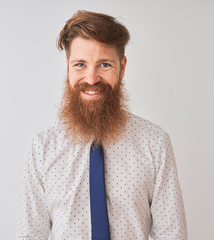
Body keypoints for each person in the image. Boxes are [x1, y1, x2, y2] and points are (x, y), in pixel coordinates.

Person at [16, 10, 187, 240]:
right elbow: (29, 235)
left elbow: (172, 235)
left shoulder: (154, 144)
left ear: (122, 66)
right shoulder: (41, 148)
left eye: (104, 64)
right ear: (68, 67)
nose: (92, 78)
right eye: (80, 64)